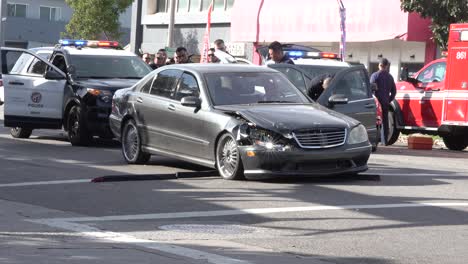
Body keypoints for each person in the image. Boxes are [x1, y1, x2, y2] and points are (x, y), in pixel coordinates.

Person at [370, 58, 397, 145]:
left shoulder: (375, 75)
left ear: (380, 65)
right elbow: (394, 91)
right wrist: (389, 99)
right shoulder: (390, 77)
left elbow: (370, 88)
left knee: (375, 121)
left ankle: (373, 141)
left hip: (377, 102)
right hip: (385, 102)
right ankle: (384, 141)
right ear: (386, 66)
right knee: (385, 122)